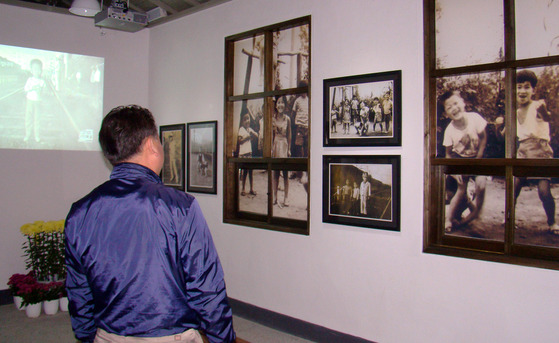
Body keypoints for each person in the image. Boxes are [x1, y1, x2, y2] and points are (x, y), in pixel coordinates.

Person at [65, 105, 236, 343]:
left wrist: (86, 337)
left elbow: (79, 290)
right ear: (150, 145)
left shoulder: (80, 212)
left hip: (107, 336)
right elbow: (206, 287)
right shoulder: (180, 207)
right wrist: (223, 339)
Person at [514, 70, 559, 234]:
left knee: (544, 191)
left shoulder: (538, 105)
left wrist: (543, 111)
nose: (522, 91)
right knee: (514, 186)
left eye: (527, 87)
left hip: (540, 150)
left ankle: (552, 222)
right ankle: (509, 219)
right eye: (519, 87)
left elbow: (547, 118)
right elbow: (503, 135)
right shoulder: (514, 111)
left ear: (533, 90)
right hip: (523, 151)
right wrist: (498, 127)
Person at [440, 90, 487, 232]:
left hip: (477, 158)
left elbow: (483, 137)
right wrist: (454, 172)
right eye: (449, 107)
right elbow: (448, 154)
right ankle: (448, 220)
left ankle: (476, 214)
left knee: (481, 185)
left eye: (456, 103)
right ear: (445, 114)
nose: (454, 108)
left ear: (463, 103)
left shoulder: (474, 118)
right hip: (460, 160)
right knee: (461, 188)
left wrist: (479, 157)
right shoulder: (449, 131)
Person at [272, 95, 292, 208]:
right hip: (275, 145)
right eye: (279, 102)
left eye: (282, 102)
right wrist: (270, 148)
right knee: (275, 173)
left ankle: (286, 197)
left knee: (285, 173)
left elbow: (289, 134)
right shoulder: (273, 119)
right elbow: (271, 134)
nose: (280, 105)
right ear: (276, 105)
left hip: (284, 145)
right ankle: (275, 197)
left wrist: (289, 149)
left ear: (285, 105)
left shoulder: (287, 119)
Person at [24, 59, 46, 142]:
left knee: (37, 119)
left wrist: (40, 90)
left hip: (38, 102)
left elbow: (45, 93)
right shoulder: (29, 80)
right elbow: (25, 89)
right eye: (35, 69)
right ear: (31, 70)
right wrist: (31, 88)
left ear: (41, 71)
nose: (37, 71)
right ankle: (27, 134)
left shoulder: (42, 81)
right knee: (28, 118)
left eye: (39, 69)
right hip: (30, 101)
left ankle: (37, 135)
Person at [238, 113, 258, 196]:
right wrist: (247, 137)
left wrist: (253, 134)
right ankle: (243, 189)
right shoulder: (241, 129)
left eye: (248, 119)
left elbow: (256, 135)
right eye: (245, 119)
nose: (247, 121)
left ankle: (251, 188)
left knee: (250, 171)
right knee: (244, 172)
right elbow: (239, 141)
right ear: (242, 121)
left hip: (249, 153)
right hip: (243, 153)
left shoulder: (249, 129)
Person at [292, 80, 309, 158]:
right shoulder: (297, 101)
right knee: (299, 146)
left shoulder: (309, 100)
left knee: (307, 146)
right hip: (299, 127)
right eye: (302, 89)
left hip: (307, 127)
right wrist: (295, 124)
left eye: (305, 89)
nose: (303, 92)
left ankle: (306, 165)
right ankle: (300, 166)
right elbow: (293, 113)